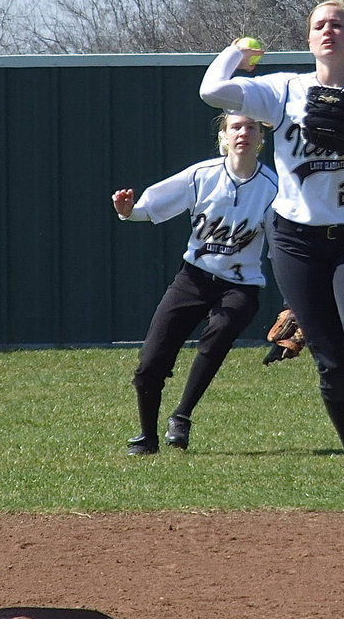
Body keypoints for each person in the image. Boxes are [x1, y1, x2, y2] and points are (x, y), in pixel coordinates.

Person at [198, 0, 344, 482]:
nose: (328, 31)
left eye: (338, 24)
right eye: (319, 25)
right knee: (329, 354)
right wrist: (236, 51)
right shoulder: (283, 90)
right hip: (294, 241)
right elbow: (211, 90)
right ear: (309, 40)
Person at [112, 113, 278, 455]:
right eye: (235, 126)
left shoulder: (273, 187)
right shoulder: (202, 175)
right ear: (223, 136)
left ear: (261, 137)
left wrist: (297, 304)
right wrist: (128, 211)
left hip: (241, 285)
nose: (243, 132)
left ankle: (182, 415)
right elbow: (151, 206)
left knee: (220, 330)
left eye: (251, 127)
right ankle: (147, 438)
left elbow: (282, 249)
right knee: (149, 364)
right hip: (194, 278)